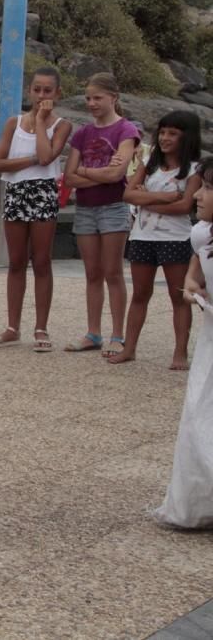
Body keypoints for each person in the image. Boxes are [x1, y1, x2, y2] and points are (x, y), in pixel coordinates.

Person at [0, 67, 73, 352]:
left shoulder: (61, 125)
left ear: (57, 94)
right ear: (29, 90)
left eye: (48, 90)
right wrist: (32, 159)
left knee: (42, 260)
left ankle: (41, 326)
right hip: (17, 191)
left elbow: (49, 156)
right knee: (16, 261)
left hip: (43, 192)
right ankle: (13, 326)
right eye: (37, 89)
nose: (41, 95)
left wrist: (40, 121)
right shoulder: (13, 123)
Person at [110, 111, 202, 369]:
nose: (165, 138)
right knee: (140, 294)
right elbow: (128, 195)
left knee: (178, 296)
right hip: (142, 236)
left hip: (175, 237)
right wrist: (162, 198)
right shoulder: (149, 162)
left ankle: (180, 353)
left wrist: (147, 199)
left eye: (173, 133)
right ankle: (129, 348)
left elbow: (185, 206)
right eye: (162, 132)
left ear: (187, 137)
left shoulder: (195, 169)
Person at [153, 157, 213, 528]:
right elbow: (195, 272)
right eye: (201, 186)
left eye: (208, 189)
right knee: (199, 412)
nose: (199, 196)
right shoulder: (202, 233)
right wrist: (193, 286)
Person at [62, 72, 140, 356]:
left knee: (113, 272)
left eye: (98, 98)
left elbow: (117, 173)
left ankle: (117, 334)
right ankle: (93, 332)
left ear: (113, 98)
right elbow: (68, 177)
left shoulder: (126, 130)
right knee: (92, 273)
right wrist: (100, 174)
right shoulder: (82, 133)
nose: (92, 103)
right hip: (86, 208)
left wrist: (84, 171)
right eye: (88, 98)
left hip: (113, 206)